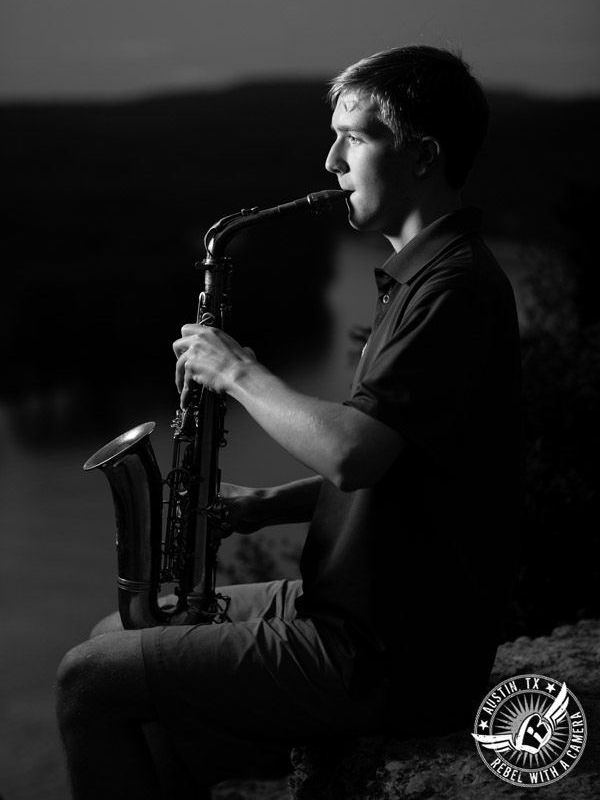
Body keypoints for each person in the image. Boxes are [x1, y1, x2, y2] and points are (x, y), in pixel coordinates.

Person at [57, 45, 523, 799]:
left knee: (87, 679)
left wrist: (236, 372)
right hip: (365, 609)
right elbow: (411, 460)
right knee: (118, 639)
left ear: (423, 156)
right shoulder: (426, 276)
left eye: (356, 137)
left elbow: (355, 455)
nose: (330, 159)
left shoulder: (454, 289)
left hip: (389, 649)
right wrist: (266, 506)